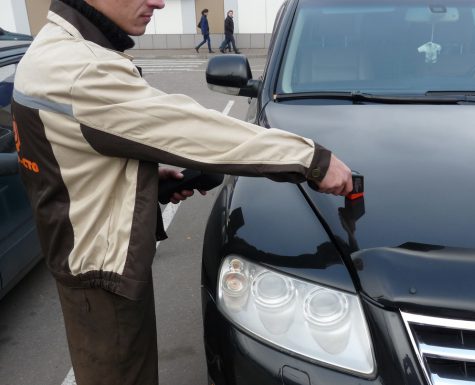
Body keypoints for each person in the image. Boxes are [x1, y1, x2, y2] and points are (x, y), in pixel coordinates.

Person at [11, 0, 353, 384]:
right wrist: (312, 158)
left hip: (78, 260)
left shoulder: (51, 49)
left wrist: (144, 180)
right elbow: (195, 130)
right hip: (100, 278)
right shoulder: (83, 69)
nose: (158, 1)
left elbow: (68, 158)